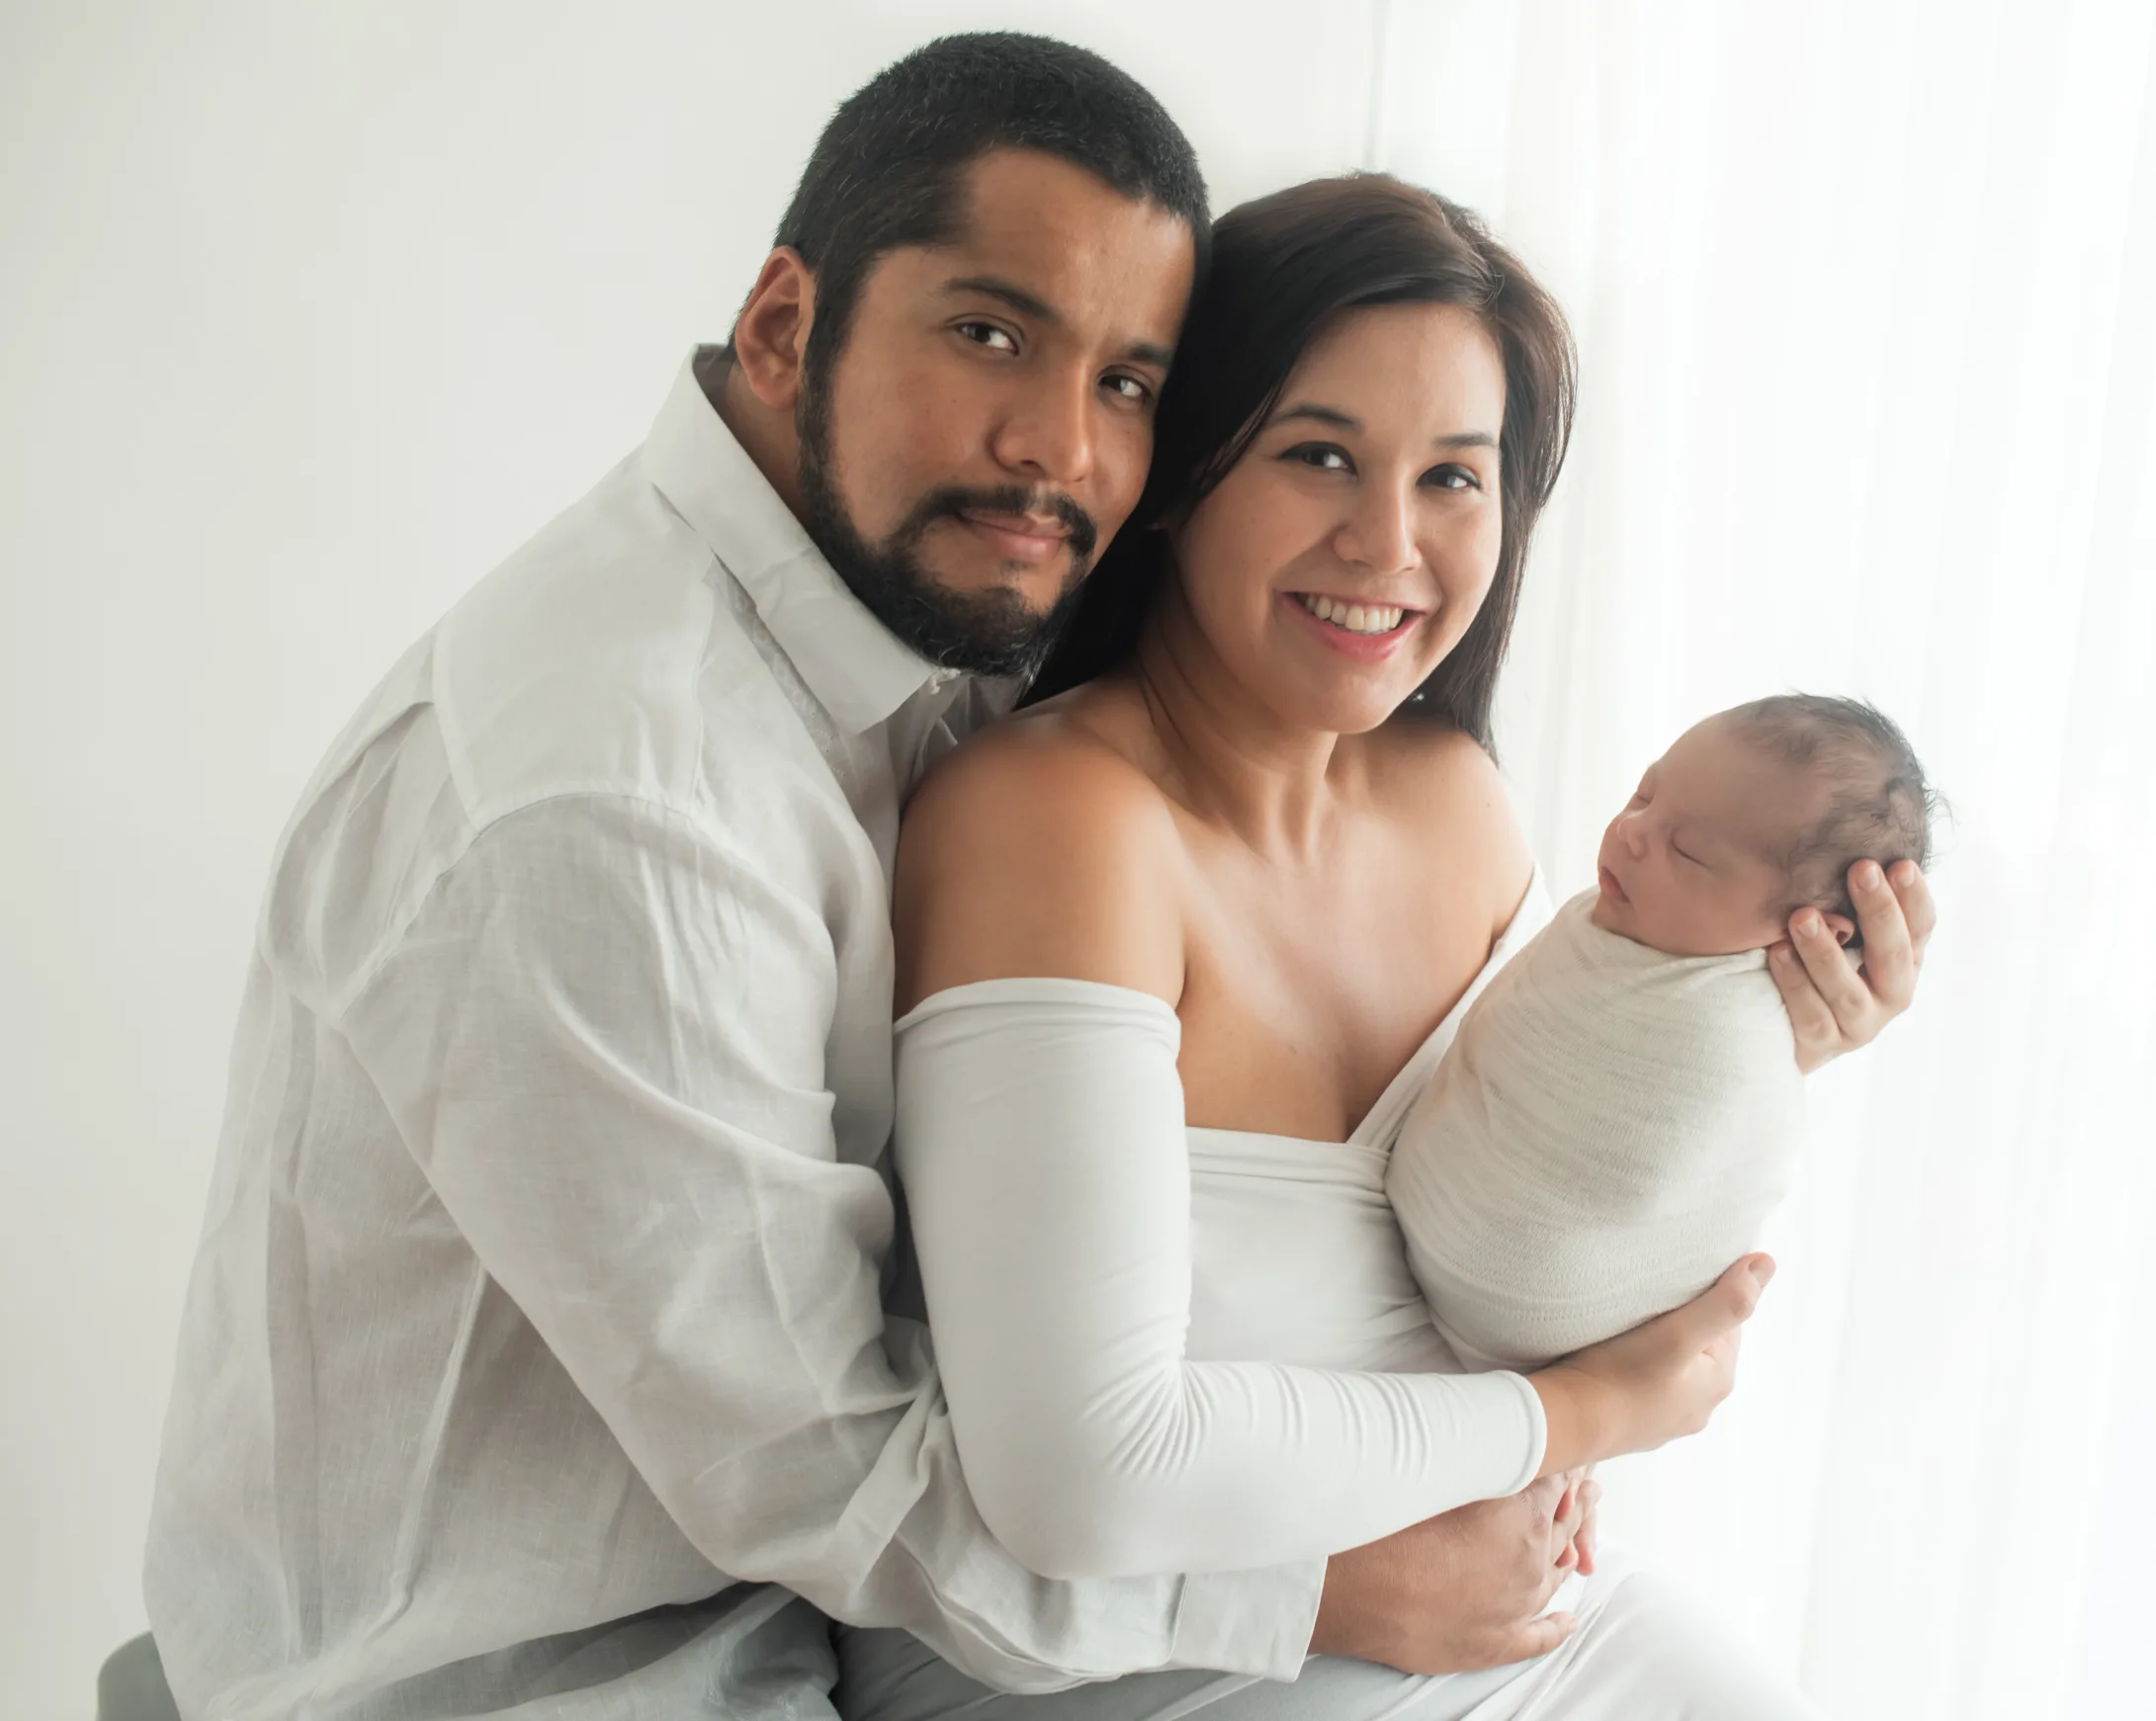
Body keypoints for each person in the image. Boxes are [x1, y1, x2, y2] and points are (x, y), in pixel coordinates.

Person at [138, 36, 1718, 1719]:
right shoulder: (617, 795)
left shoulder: (934, 638)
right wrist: (1328, 1579)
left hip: (805, 1610)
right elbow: (821, 1469)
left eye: (1125, 383)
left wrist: (1720, 985)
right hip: (550, 1671)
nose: (1061, 448)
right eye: (991, 334)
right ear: (780, 327)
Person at [854, 175, 1936, 1718]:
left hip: (1492, 1618)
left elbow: (1513, 1235)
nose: (1388, 542)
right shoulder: (1061, 822)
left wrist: (1751, 1035)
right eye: (1317, 456)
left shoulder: (1457, 804)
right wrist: (1578, 1414)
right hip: (1133, 1653)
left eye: (1453, 478)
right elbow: (1085, 1478)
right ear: (1178, 471)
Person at [1390, 696, 1939, 1372]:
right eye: (1645, 792)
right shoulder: (1619, 920)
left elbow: (1681, 1176)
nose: (1630, 831)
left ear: (1817, 930)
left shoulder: (1737, 1039)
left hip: (1533, 1337)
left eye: (1688, 850)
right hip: (1447, 1282)